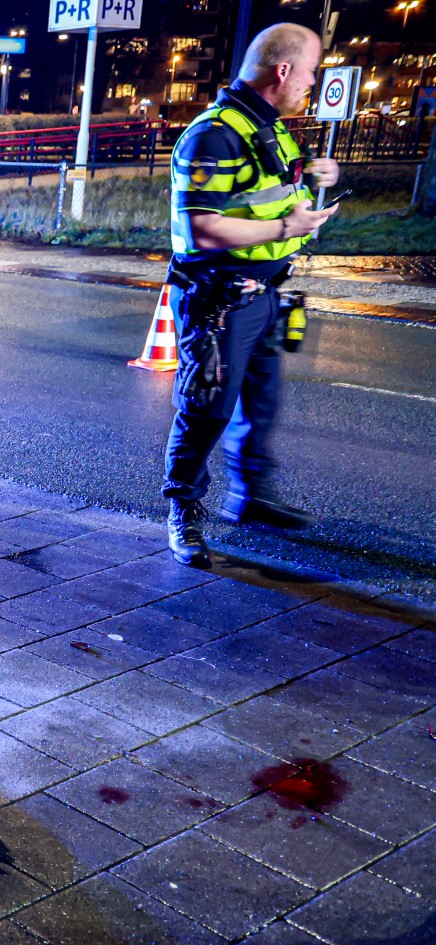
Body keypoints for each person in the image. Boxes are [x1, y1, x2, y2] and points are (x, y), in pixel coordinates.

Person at [161, 23, 340, 568]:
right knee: (207, 408)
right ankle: (183, 512)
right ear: (281, 71)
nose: (312, 83)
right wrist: (286, 230)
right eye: (309, 72)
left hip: (263, 293)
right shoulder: (213, 135)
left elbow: (268, 190)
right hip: (219, 300)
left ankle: (252, 496)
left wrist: (315, 172)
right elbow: (203, 231)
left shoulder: (272, 129)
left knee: (259, 403)